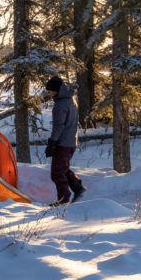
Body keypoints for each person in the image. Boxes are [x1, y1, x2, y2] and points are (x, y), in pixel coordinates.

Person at [45, 76, 86, 205]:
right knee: (62, 169)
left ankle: (64, 199)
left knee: (57, 173)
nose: (48, 93)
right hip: (71, 141)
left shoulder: (61, 105)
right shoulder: (70, 100)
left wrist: (52, 142)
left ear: (56, 90)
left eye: (49, 90)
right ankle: (78, 188)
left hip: (63, 143)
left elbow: (59, 126)